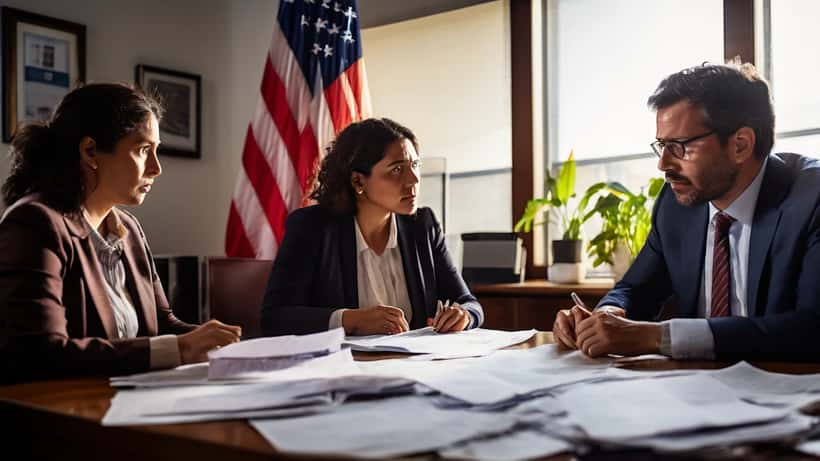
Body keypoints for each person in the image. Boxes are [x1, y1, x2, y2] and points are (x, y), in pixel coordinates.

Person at [553, 62, 820, 362]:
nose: (664, 164)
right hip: (697, 390)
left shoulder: (811, 200)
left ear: (741, 145)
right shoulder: (676, 205)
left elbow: (811, 328)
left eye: (679, 146)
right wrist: (605, 316)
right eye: (662, 145)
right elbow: (636, 288)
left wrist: (658, 336)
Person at [0, 83, 242, 384]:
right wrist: (179, 348)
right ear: (90, 151)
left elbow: (162, 325)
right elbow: (40, 353)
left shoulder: (129, 230)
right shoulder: (34, 223)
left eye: (156, 151)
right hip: (64, 415)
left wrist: (218, 342)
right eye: (143, 150)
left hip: (129, 401)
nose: (156, 168)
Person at [262, 118, 483, 336]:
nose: (414, 179)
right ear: (358, 181)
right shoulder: (311, 227)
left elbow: (469, 303)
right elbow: (275, 317)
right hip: (342, 367)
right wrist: (350, 320)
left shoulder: (422, 226)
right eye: (397, 170)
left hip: (416, 366)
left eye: (415, 165)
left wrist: (464, 315)